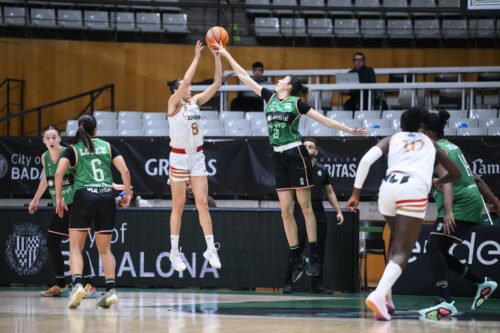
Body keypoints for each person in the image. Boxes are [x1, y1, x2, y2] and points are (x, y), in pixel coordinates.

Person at [214, 41, 368, 284]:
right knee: (285, 211)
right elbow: (243, 76)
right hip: (278, 157)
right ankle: (297, 256)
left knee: (305, 207)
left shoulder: (296, 103)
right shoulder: (270, 98)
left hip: (296, 154)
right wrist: (226, 54)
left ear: (289, 86)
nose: (277, 81)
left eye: (281, 79)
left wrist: (350, 129)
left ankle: (314, 254)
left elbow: (324, 120)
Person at [346, 107, 461, 321]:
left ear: (401, 124)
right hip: (413, 190)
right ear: (422, 126)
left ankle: (387, 297)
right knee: (403, 252)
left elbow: (365, 161)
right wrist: (437, 181)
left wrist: (355, 194)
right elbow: (455, 173)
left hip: (387, 190)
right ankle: (379, 294)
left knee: (396, 244)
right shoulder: (431, 144)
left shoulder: (392, 138)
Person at [418, 110, 498, 319]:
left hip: (459, 203)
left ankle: (447, 302)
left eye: (419, 131)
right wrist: (496, 203)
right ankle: (481, 282)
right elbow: (476, 178)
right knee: (440, 250)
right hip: (469, 201)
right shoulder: (452, 146)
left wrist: (448, 211)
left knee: (433, 247)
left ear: (427, 133)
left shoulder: (435, 151)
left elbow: (449, 181)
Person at [55, 114, 132, 309]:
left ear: (78, 129)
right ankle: (111, 289)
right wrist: (127, 194)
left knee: (75, 247)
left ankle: (78, 284)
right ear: (95, 130)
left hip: (84, 197)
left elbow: (58, 173)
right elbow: (125, 172)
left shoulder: (72, 150)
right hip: (107, 197)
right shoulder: (107, 146)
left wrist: (59, 199)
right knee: (105, 249)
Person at [166, 41, 222, 272]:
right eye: (185, 87)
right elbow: (187, 81)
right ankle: (174, 252)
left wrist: (217, 57)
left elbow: (217, 83)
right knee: (178, 206)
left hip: (197, 156)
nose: (189, 89)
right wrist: (197, 57)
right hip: (179, 157)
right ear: (178, 90)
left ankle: (210, 249)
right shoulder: (172, 105)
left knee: (202, 204)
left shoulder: (195, 102)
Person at [29, 125, 96, 299]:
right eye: (47, 138)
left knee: (77, 246)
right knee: (52, 243)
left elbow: (84, 175)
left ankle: (89, 286)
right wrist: (35, 199)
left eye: (54, 137)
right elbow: (46, 178)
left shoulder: (69, 154)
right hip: (61, 207)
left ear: (60, 138)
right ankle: (61, 285)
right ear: (43, 141)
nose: (51, 141)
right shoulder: (45, 158)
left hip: (76, 205)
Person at [283, 138, 344, 294]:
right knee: (295, 247)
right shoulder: (294, 170)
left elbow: (330, 192)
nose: (308, 149)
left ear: (316, 152)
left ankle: (317, 284)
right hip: (300, 211)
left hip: (318, 211)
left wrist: (338, 211)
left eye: (311, 147)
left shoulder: (322, 170)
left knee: (318, 249)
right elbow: (289, 194)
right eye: (305, 147)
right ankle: (288, 282)